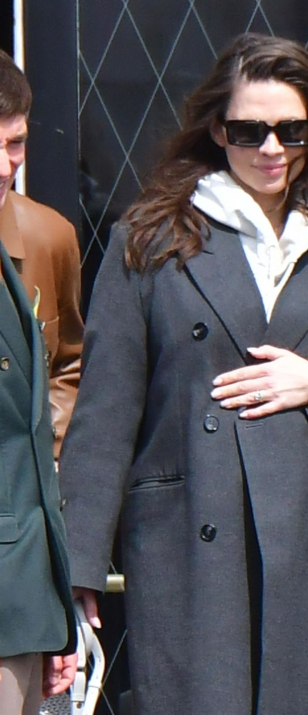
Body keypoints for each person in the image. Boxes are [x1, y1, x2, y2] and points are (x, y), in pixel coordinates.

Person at [59, 33, 308, 715]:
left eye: (291, 131)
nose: (271, 149)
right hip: (192, 543)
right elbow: (105, 414)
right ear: (216, 128)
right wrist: (79, 566)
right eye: (250, 129)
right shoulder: (150, 241)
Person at [0, 241, 77, 713]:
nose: (5, 164)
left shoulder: (26, 244)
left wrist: (50, 606)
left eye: (15, 157)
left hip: (23, 594)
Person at [0, 48, 84, 461]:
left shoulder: (50, 236)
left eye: (16, 143)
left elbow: (69, 364)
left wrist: (42, 458)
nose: (4, 166)